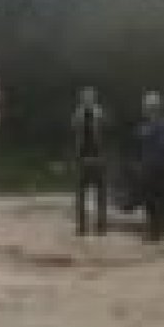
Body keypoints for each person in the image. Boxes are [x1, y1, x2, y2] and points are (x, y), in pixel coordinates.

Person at [138, 91, 164, 243]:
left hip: (159, 167)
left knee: (158, 200)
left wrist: (149, 133)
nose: (147, 110)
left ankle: (157, 233)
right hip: (148, 166)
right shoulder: (147, 125)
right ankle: (153, 231)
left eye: (150, 107)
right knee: (149, 200)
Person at [72, 86, 108, 236]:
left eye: (90, 97)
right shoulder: (78, 114)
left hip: (98, 156)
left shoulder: (100, 113)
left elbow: (105, 132)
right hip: (83, 157)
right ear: (82, 99)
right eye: (85, 97)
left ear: (94, 99)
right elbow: (74, 132)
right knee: (81, 194)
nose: (87, 99)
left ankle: (101, 226)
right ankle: (81, 227)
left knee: (100, 194)